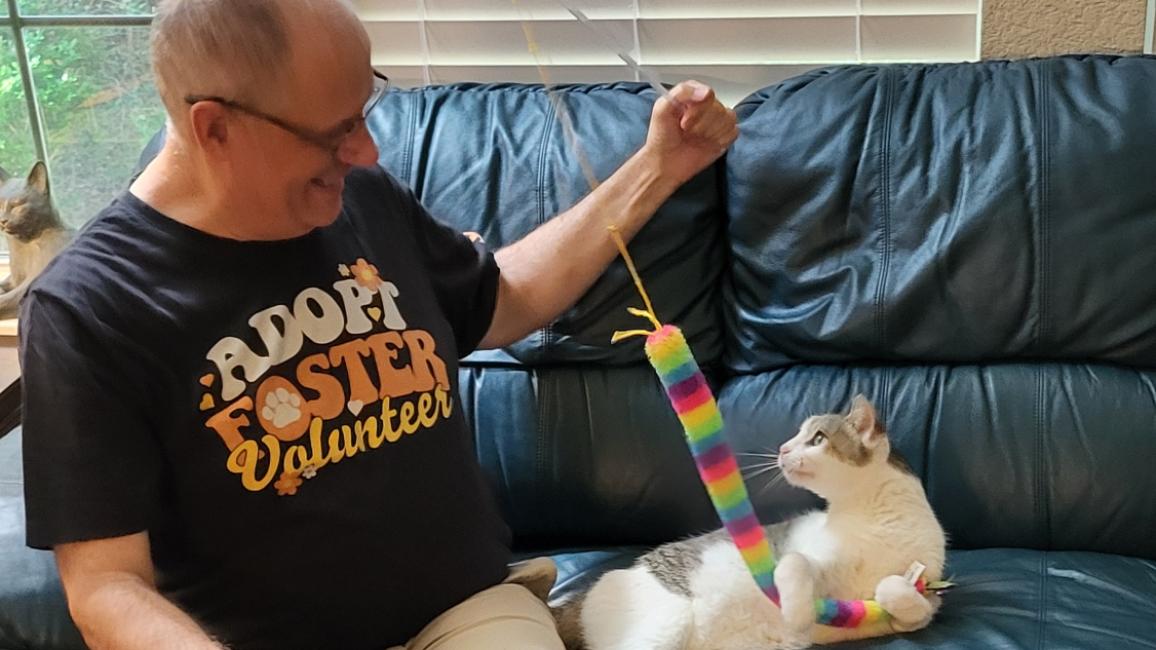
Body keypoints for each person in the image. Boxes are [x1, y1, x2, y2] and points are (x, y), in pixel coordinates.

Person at [18, 0, 738, 648]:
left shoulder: (360, 198)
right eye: (335, 132)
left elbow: (506, 297)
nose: (366, 151)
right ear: (215, 127)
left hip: (467, 614)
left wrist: (659, 167)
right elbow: (106, 587)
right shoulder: (86, 309)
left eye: (365, 110)